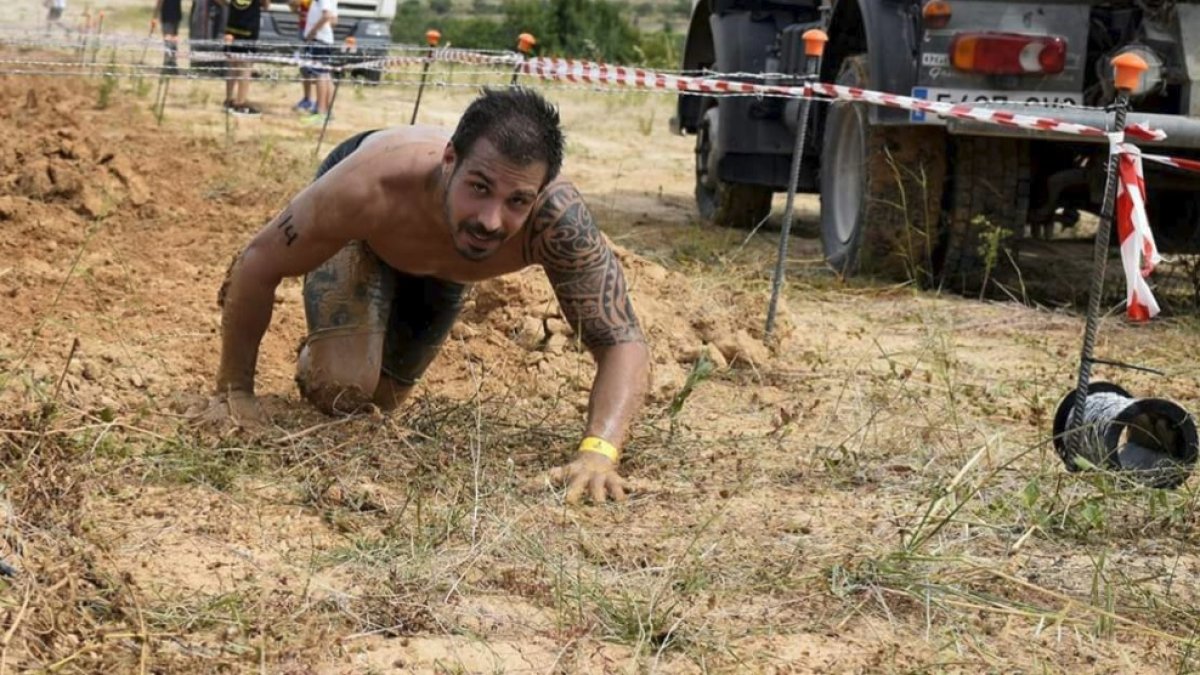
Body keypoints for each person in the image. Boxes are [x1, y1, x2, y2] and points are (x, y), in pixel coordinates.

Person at [193, 88, 650, 505]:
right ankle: (331, 349)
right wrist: (235, 389)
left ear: (541, 191)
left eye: (517, 201)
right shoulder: (368, 187)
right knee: (342, 388)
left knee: (379, 402)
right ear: (450, 158)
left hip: (444, 271)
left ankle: (351, 339)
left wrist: (599, 452)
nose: (491, 220)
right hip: (369, 235)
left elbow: (622, 339)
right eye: (480, 188)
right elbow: (258, 261)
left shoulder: (557, 221)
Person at [217, 0, 271, 116]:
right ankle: (240, 103)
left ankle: (229, 100)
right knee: (246, 65)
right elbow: (266, 5)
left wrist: (229, 5)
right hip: (248, 26)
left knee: (233, 64)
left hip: (232, 25)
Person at [300, 0, 337, 124]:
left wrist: (313, 31)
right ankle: (328, 111)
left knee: (320, 74)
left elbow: (327, 15)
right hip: (325, 38)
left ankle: (321, 112)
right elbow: (334, 20)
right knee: (326, 75)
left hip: (319, 39)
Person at [288, 0, 316, 113]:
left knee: (321, 72)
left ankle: (322, 104)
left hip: (315, 32)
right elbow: (294, 8)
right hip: (303, 29)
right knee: (304, 67)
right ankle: (307, 99)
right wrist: (293, 5)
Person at [152, 0, 182, 70]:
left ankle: (168, 64)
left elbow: (160, 1)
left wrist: (155, 16)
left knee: (168, 40)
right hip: (176, 14)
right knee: (173, 40)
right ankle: (172, 63)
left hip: (167, 15)